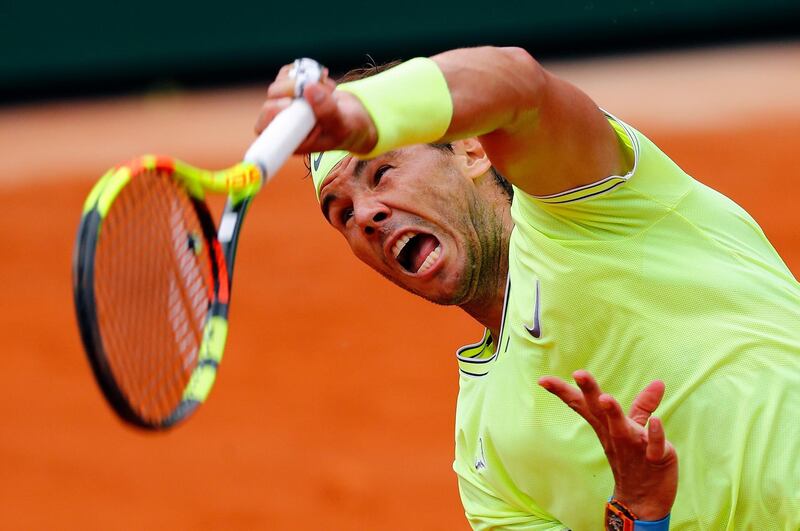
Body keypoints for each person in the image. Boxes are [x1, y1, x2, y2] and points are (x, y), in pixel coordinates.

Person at [255, 48, 800, 529]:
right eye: (342, 213)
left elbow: (519, 83)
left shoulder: (589, 205)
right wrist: (636, 511)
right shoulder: (483, 458)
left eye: (382, 173)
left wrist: (366, 111)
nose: (366, 216)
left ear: (470, 151)